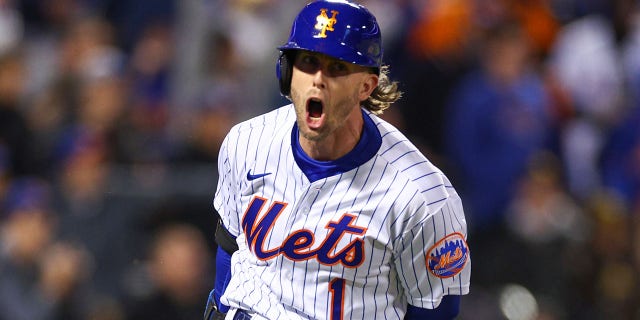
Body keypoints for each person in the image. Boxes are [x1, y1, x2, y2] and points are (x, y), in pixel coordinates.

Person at [204, 1, 470, 319]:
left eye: (337, 68)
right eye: (307, 62)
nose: (318, 80)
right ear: (286, 72)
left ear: (366, 86)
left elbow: (436, 311)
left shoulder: (423, 195)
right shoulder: (246, 142)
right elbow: (230, 247)